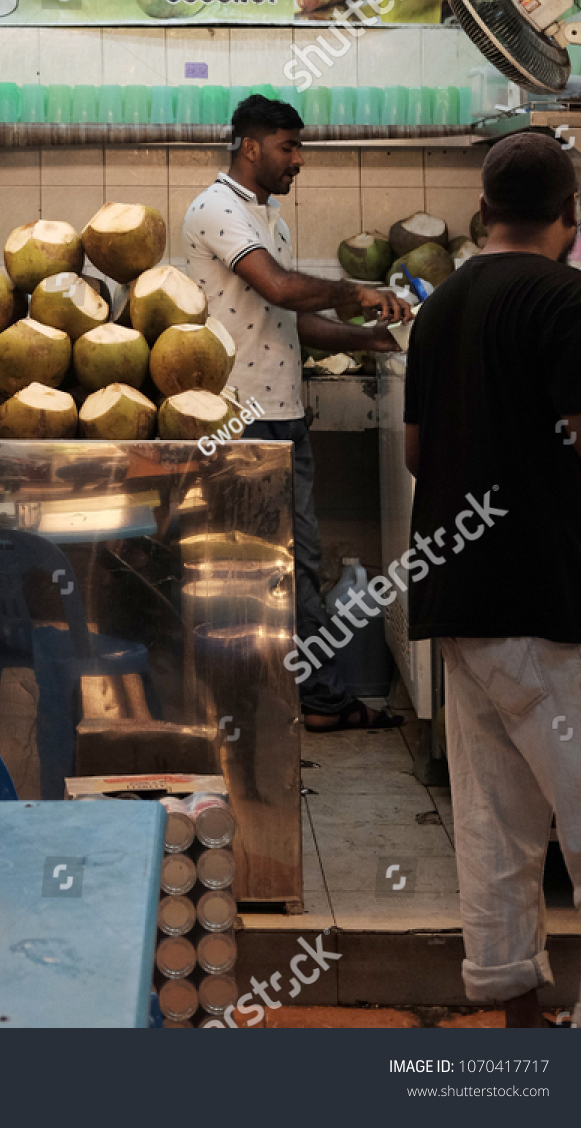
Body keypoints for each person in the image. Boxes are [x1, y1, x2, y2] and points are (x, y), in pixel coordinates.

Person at [404, 128, 581, 1029]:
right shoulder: (572, 300)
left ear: (483, 212)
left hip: (461, 600)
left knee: (494, 828)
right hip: (553, 601)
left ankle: (520, 1025)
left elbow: (416, 451)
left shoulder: (440, 305)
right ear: (570, 214)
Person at [184, 94, 411, 731]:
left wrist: (374, 337)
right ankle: (236, 702)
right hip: (236, 414)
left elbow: (292, 317)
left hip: (284, 413)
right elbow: (280, 286)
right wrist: (355, 291)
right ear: (251, 147)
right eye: (288, 148)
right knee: (244, 565)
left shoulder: (271, 219)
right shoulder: (216, 209)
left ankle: (316, 699)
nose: (298, 160)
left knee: (298, 561)